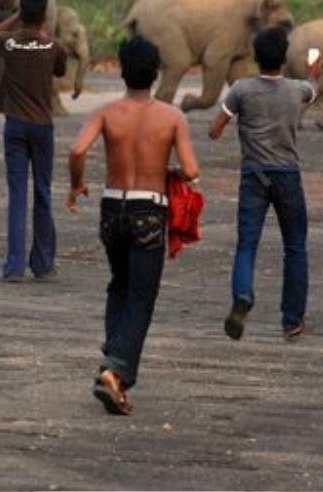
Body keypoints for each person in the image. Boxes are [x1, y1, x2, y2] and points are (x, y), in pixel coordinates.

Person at [67, 36, 199, 415]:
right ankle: (116, 369)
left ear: (122, 71)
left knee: (120, 286)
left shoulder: (107, 112)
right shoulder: (172, 117)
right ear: (156, 73)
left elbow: (77, 150)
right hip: (149, 211)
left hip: (112, 209)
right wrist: (168, 170)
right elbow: (191, 170)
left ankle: (113, 358)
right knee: (141, 295)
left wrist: (76, 184)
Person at [209, 26, 323, 342]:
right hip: (287, 174)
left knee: (247, 244)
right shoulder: (297, 90)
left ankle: (243, 294)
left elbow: (215, 129)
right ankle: (292, 320)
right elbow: (314, 89)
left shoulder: (241, 90)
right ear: (284, 59)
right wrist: (316, 71)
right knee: (295, 246)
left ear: (255, 58)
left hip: (253, 175)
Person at [0, 0, 67, 282]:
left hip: (15, 126)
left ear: (23, 14)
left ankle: (14, 267)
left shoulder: (9, 43)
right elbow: (60, 70)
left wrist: (16, 18)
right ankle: (43, 263)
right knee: (43, 192)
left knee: (18, 194)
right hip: (42, 127)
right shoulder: (53, 47)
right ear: (44, 16)